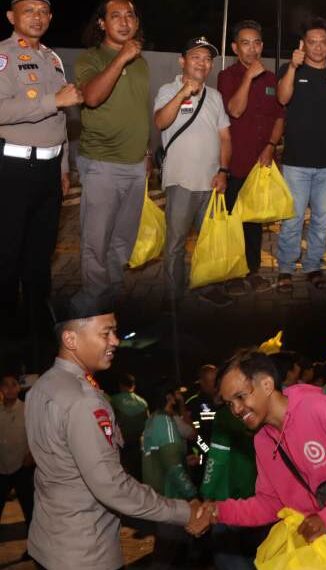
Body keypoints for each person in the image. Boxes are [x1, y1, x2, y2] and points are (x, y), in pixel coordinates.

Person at [187, 350, 326, 569]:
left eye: (240, 396)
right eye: (228, 403)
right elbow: (269, 503)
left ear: (266, 384)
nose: (235, 409)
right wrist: (218, 511)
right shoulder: (263, 440)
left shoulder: (318, 408)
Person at [24, 298, 196, 569]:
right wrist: (184, 512)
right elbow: (113, 487)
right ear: (71, 339)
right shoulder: (84, 400)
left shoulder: (41, 387)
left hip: (48, 542)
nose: (115, 341)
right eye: (106, 333)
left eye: (114, 332)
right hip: (86, 553)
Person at [0, 0, 82, 373]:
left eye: (44, 11)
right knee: (8, 257)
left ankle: (38, 338)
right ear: (12, 17)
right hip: (13, 170)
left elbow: (61, 122)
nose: (37, 16)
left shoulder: (52, 58)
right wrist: (53, 99)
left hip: (48, 172)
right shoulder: (3, 57)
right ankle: (7, 341)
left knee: (39, 260)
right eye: (28, 9)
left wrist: (63, 165)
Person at [75, 0, 151, 304]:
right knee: (96, 242)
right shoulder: (89, 59)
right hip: (101, 164)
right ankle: (92, 301)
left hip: (135, 165)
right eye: (115, 16)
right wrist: (120, 59)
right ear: (102, 24)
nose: (124, 21)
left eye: (129, 15)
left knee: (123, 239)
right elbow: (91, 98)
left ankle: (112, 293)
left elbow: (137, 110)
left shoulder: (142, 63)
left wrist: (146, 153)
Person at [154, 37, 232, 308]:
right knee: (175, 242)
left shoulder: (216, 97)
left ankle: (207, 286)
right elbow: (161, 121)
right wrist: (182, 93)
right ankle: (173, 295)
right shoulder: (168, 89)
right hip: (181, 181)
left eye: (207, 59)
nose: (202, 63)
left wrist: (223, 171)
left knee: (209, 241)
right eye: (196, 57)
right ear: (183, 61)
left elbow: (225, 138)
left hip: (211, 182)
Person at [275, 17, 326, 293]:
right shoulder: (290, 68)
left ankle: (313, 266)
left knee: (321, 218)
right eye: (312, 42)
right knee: (292, 218)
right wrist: (294, 66)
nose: (317, 47)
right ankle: (285, 268)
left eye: (322, 42)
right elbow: (282, 99)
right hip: (296, 161)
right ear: (303, 44)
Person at [218, 20, 285, 296]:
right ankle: (233, 274)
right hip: (235, 163)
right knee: (232, 221)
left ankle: (253, 271)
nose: (252, 48)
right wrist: (248, 77)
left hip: (261, 164)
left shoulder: (271, 79)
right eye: (245, 43)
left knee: (255, 223)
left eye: (256, 42)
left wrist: (271, 145)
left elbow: (280, 116)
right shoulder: (228, 76)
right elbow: (234, 110)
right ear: (235, 47)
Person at [200, 405, 264, 570]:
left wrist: (206, 493)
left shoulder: (224, 416)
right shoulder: (259, 411)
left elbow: (216, 458)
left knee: (226, 556)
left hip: (226, 496)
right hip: (256, 496)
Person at [142, 384, 198, 567]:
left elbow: (165, 456)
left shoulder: (152, 420)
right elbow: (173, 466)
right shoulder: (165, 421)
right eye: (175, 394)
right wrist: (192, 495)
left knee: (170, 550)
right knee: (168, 552)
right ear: (169, 397)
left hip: (159, 493)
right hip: (171, 495)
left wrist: (183, 459)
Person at [0, 373, 34, 533]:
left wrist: (32, 455)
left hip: (23, 466)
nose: (10, 389)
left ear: (19, 388)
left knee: (29, 509)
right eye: (6, 385)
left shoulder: (28, 410)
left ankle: (34, 547)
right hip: (1, 467)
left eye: (14, 384)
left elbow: (36, 436)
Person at [110, 371, 148, 479]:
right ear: (133, 385)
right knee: (137, 475)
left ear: (121, 385)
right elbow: (147, 426)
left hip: (120, 447)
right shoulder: (143, 403)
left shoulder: (113, 400)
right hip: (137, 445)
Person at [186, 363, 219, 473]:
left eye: (216, 380)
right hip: (204, 461)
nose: (215, 384)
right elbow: (194, 435)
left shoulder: (226, 401)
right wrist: (208, 451)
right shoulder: (193, 404)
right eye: (212, 381)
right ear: (202, 382)